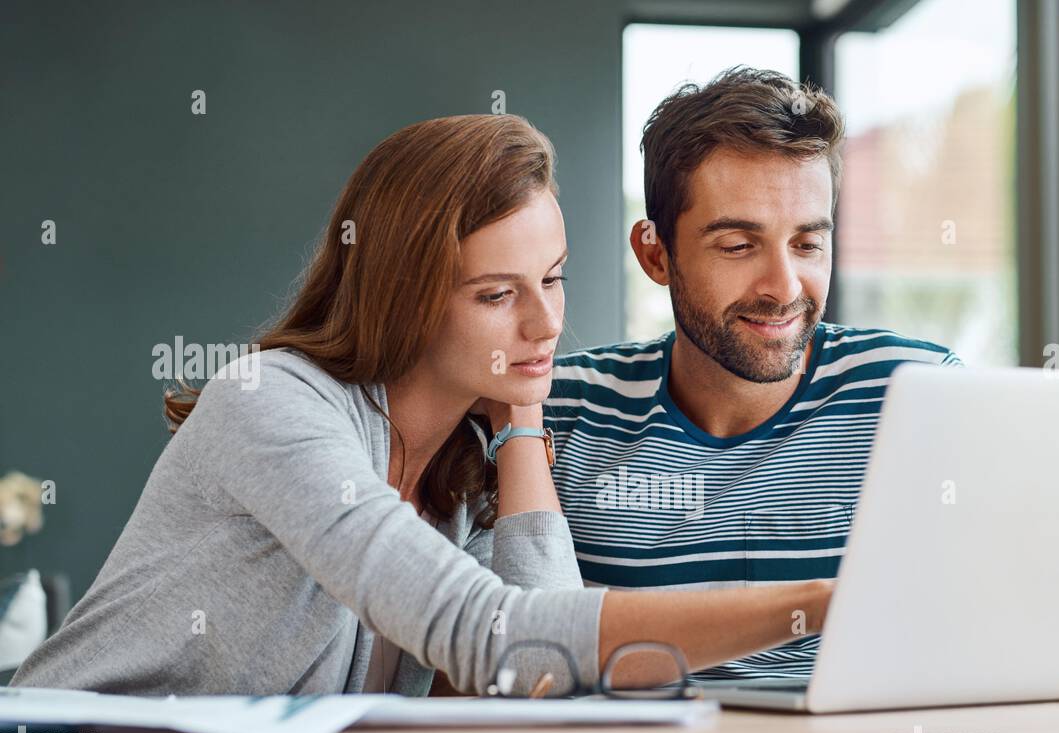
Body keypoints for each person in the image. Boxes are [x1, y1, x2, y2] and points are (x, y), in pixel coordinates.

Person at [11, 114, 830, 697]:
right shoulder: (272, 405)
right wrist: (820, 604)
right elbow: (501, 638)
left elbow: (536, 682)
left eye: (552, 279)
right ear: (405, 299)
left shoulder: (456, 476)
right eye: (496, 294)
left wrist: (523, 417)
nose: (547, 323)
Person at [544, 68, 961, 682]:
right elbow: (513, 655)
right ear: (656, 254)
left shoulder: (919, 392)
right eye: (739, 245)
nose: (784, 288)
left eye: (807, 244)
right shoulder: (560, 409)